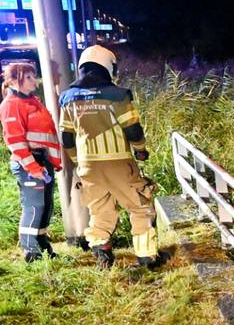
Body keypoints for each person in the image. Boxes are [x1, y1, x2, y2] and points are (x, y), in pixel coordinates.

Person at [58, 45, 168, 268]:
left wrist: (79, 161)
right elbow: (133, 129)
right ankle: (147, 257)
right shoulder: (118, 96)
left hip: (88, 166)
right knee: (140, 205)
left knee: (99, 209)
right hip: (119, 162)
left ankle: (103, 257)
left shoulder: (68, 98)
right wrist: (140, 149)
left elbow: (66, 137)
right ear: (108, 66)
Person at [2, 61, 61, 262]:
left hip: (41, 161)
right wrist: (33, 167)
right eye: (28, 77)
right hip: (29, 163)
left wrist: (52, 161)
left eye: (33, 75)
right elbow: (15, 141)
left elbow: (46, 133)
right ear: (13, 80)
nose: (33, 80)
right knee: (34, 207)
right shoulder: (11, 105)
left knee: (46, 205)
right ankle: (30, 251)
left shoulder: (32, 101)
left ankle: (42, 245)